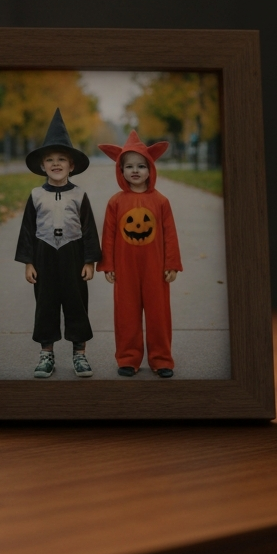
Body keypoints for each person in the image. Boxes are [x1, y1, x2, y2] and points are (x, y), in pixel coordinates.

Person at [14, 109, 101, 379]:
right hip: (44, 256)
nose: (55, 164)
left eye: (61, 159)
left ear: (71, 165)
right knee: (46, 305)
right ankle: (46, 354)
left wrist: (90, 261)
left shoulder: (79, 195)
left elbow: (88, 229)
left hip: (73, 255)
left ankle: (80, 354)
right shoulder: (36, 195)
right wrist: (28, 262)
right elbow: (27, 229)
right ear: (42, 165)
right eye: (49, 159)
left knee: (76, 304)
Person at [97, 131, 182, 377]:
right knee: (126, 314)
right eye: (129, 166)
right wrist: (108, 265)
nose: (135, 171)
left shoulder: (161, 201)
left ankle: (162, 359)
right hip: (125, 269)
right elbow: (109, 235)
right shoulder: (115, 202)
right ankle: (128, 357)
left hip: (155, 268)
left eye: (141, 166)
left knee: (159, 314)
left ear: (150, 169)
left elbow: (170, 235)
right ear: (120, 171)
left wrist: (172, 264)